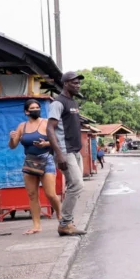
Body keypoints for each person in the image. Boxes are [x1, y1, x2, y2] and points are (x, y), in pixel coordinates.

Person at [8, 99, 62, 235]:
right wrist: (12, 138)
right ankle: (36, 225)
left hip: (46, 160)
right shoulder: (22, 126)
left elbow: (57, 141)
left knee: (50, 194)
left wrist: (46, 144)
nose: (35, 110)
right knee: (32, 195)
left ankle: (62, 218)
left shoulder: (46, 123)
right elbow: (13, 146)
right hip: (30, 161)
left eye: (37, 107)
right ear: (26, 111)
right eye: (32, 108)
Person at [47, 71, 87, 236]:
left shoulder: (74, 103)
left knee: (75, 186)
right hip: (65, 151)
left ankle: (68, 222)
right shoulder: (58, 103)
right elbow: (50, 129)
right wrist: (59, 154)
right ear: (65, 83)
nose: (78, 85)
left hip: (74, 151)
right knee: (76, 184)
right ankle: (64, 223)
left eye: (78, 83)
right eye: (74, 83)